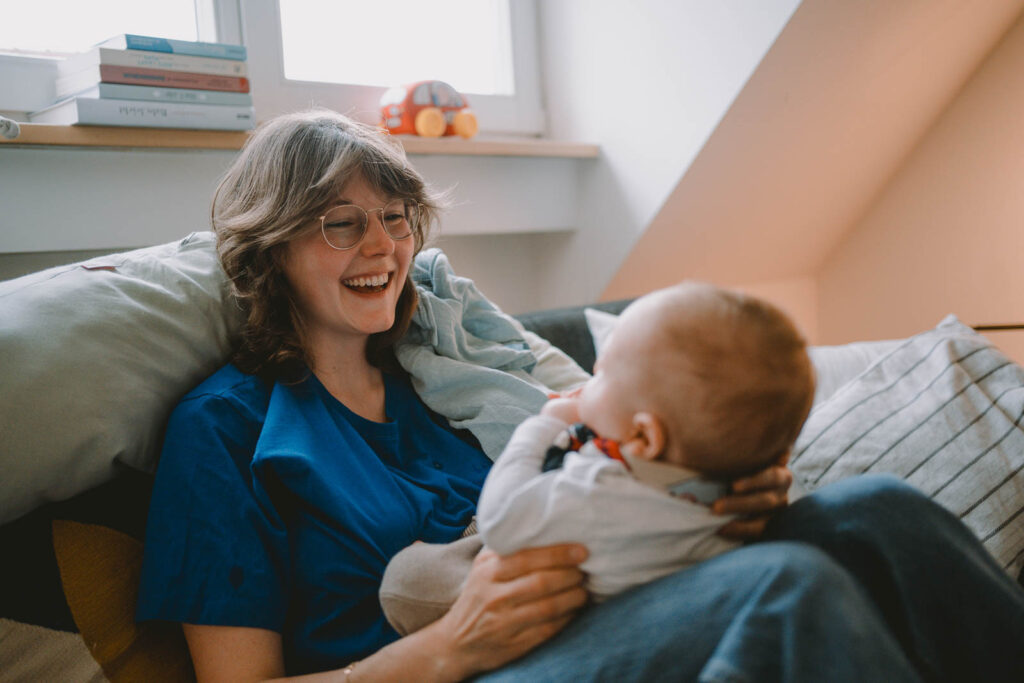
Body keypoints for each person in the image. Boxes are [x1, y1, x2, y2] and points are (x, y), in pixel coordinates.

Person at [136, 109, 1024, 682]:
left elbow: (603, 467)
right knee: (788, 588)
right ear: (272, 245)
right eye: (341, 222)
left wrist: (715, 487)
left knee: (874, 509)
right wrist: (448, 646)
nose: (382, 245)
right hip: (465, 669)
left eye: (395, 217)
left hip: (595, 610)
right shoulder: (223, 430)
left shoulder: (447, 373)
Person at [380, 282, 815, 631]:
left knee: (407, 577)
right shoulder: (729, 484)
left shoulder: (599, 493)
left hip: (568, 616)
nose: (587, 378)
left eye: (601, 373)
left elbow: (502, 520)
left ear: (643, 437)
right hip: (650, 589)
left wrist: (541, 427)